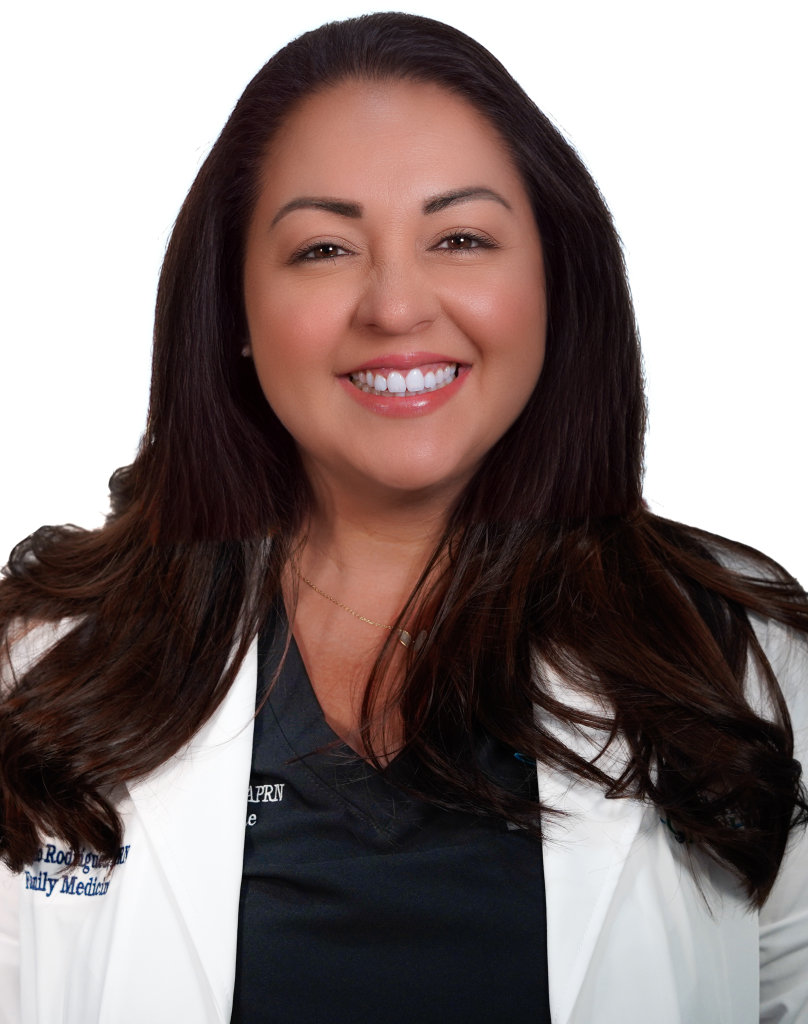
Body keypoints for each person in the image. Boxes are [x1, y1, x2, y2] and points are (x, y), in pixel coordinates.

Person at [1, 11, 807, 1024]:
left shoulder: (735, 653)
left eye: (460, 237)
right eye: (325, 247)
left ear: (556, 281)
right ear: (234, 310)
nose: (393, 306)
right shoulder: (45, 664)